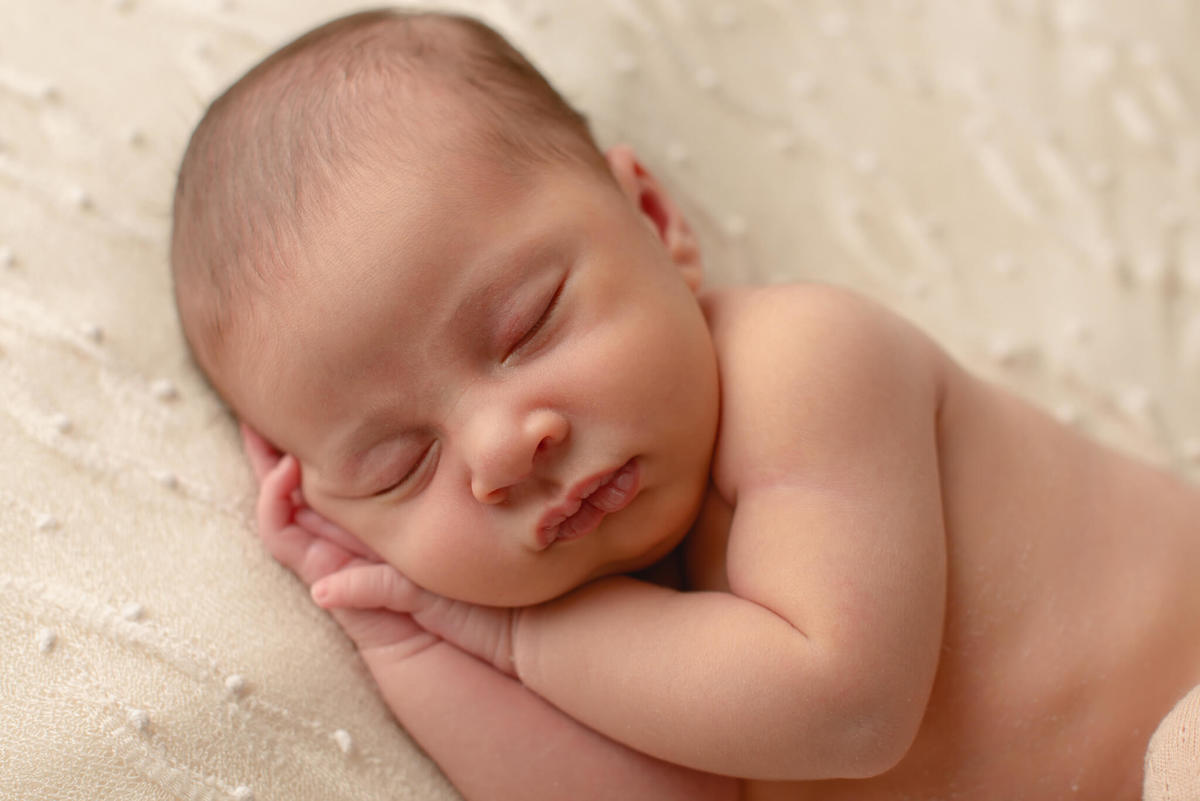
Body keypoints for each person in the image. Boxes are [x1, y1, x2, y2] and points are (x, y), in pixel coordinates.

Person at [169, 8, 1200, 800]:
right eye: (400, 465)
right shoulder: (622, 626)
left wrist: (515, 645)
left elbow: (845, 706)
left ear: (655, 221)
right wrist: (407, 636)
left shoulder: (804, 364)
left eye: (527, 327)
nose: (503, 449)